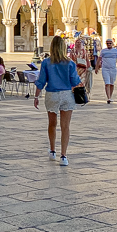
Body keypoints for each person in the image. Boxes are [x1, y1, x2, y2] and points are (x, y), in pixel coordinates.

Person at [33, 35, 82, 166]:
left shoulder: (46, 62)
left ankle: (52, 150)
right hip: (66, 94)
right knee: (65, 126)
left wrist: (36, 96)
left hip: (52, 94)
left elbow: (41, 81)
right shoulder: (70, 63)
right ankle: (64, 156)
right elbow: (75, 81)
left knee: (52, 124)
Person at [97, 38, 117, 104]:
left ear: (112, 44)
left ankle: (110, 96)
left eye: (110, 43)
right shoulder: (103, 51)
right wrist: (97, 67)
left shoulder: (115, 51)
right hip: (105, 69)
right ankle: (108, 97)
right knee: (107, 83)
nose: (109, 44)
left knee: (111, 83)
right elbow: (99, 59)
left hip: (113, 69)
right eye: (107, 43)